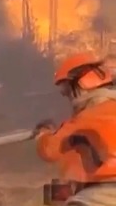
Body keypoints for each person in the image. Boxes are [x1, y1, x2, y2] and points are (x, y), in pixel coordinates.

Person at [36, 52, 116, 206]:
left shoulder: (84, 119)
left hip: (102, 195)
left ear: (81, 85)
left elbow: (49, 151)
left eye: (66, 90)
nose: (67, 97)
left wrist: (43, 135)